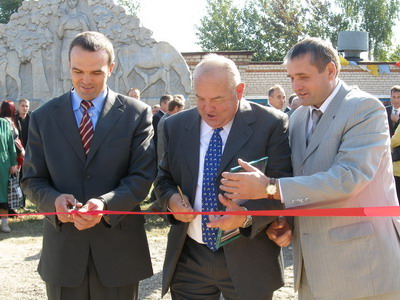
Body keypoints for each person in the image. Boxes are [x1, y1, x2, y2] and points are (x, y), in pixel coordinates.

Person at [219, 37, 400, 300]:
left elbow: (349, 178)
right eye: (291, 78)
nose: (296, 86)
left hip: (364, 269)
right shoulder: (299, 117)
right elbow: (300, 178)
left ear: (330, 70)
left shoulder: (364, 108)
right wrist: (284, 222)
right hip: (313, 271)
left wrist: (270, 188)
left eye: (303, 77)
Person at [21, 31, 156, 300]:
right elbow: (31, 180)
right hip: (63, 254)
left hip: (119, 253)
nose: (85, 80)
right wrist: (54, 202)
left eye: (96, 72)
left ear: (111, 68)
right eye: (77, 70)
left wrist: (105, 204)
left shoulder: (136, 114)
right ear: (68, 67)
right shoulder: (43, 117)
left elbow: (142, 177)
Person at [154, 54, 292, 300]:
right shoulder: (175, 126)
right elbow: (163, 178)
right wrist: (172, 200)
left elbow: (282, 189)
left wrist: (245, 218)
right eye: (200, 99)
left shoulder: (271, 124)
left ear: (239, 90)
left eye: (217, 99)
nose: (208, 109)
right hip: (189, 259)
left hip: (249, 259)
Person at [0, 115, 18, 233]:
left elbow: (11, 144)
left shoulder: (4, 123)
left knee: (3, 193)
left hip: (3, 163)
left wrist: (13, 163)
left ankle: (4, 223)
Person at [156, 95, 185, 166]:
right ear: (176, 108)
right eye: (181, 110)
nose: (182, 112)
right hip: (167, 162)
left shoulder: (165, 118)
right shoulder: (169, 121)